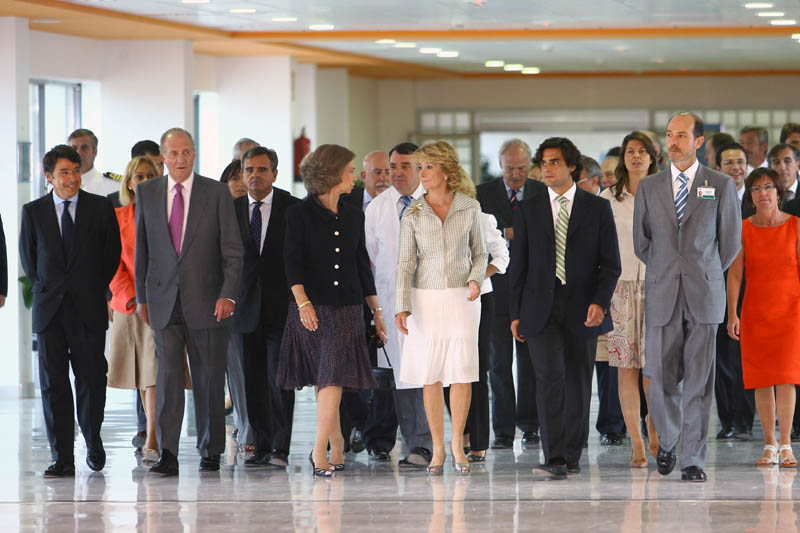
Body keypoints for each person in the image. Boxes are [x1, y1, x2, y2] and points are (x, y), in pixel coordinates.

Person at [634, 112, 742, 482]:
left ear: (698, 141)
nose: (673, 142)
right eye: (669, 135)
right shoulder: (649, 187)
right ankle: (668, 439)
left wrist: (701, 269)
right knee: (660, 376)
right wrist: (670, 268)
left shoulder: (721, 185)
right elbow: (642, 243)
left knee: (699, 380)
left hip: (704, 292)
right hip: (664, 291)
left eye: (681, 135)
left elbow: (729, 245)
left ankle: (692, 458)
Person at [510, 137, 621, 480]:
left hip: (583, 307)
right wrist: (515, 313)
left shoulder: (596, 208)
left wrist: (600, 303)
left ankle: (572, 453)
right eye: (543, 162)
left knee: (577, 381)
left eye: (554, 162)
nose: (547, 168)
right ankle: (554, 455)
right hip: (539, 308)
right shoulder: (528, 209)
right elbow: (519, 266)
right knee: (548, 380)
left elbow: (610, 264)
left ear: (572, 167)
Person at [135, 127, 244, 476]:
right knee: (167, 381)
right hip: (163, 301)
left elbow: (232, 250)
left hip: (210, 301)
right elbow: (143, 251)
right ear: (162, 157)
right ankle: (167, 451)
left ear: (194, 154)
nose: (180, 159)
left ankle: (211, 449)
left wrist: (228, 293)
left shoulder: (215, 192)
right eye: (173, 153)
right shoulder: (148, 192)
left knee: (209, 378)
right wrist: (141, 297)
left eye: (186, 152)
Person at [279, 144, 386, 476]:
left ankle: (326, 447)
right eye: (351, 170)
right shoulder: (298, 213)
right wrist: (303, 303)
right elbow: (291, 262)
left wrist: (376, 311)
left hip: (348, 309)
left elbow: (360, 266)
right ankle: (327, 446)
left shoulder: (355, 213)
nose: (355, 175)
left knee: (332, 377)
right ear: (333, 173)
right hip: (311, 307)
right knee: (326, 379)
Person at [19, 145, 122, 477]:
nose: (72, 178)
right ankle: (61, 456)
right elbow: (29, 261)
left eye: (76, 171)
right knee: (53, 385)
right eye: (64, 172)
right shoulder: (33, 212)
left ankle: (92, 441)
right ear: (49, 176)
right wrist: (52, 288)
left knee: (92, 379)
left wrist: (90, 287)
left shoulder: (99, 208)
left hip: (87, 308)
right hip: (50, 311)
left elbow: (111, 255)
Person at [395, 140, 488, 474]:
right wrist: (401, 305)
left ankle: (457, 445)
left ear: (447, 171)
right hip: (425, 300)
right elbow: (405, 263)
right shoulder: (413, 212)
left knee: (462, 372)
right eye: (420, 167)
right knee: (429, 374)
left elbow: (481, 253)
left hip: (463, 300)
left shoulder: (469, 208)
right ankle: (437, 448)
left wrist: (476, 278)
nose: (422, 174)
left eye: (428, 167)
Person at [364, 142, 433, 467]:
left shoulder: (435, 200)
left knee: (427, 375)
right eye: (393, 166)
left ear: (420, 167)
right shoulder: (378, 207)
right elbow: (370, 260)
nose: (397, 172)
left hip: (429, 302)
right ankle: (416, 445)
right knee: (399, 376)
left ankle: (430, 442)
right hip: (392, 306)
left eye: (405, 165)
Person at [727, 167, 800, 468]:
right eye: (756, 189)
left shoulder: (795, 225)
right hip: (756, 310)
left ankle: (786, 444)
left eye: (768, 187)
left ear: (778, 192)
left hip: (791, 311)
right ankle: (769, 442)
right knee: (761, 380)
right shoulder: (743, 228)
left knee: (786, 378)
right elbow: (734, 275)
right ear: (751, 196)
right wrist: (732, 312)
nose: (763, 193)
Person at [231, 146, 299, 468]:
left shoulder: (293, 208)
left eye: (261, 169)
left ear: (274, 173)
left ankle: (279, 448)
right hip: (243, 309)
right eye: (249, 170)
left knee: (279, 379)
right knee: (251, 380)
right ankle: (257, 444)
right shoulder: (229, 210)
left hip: (282, 308)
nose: (255, 176)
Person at [475, 138, 545, 449]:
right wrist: (507, 232)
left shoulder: (541, 192)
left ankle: (530, 424)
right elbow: (478, 238)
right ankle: (503, 430)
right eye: (509, 169)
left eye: (521, 168)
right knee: (498, 363)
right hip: (497, 290)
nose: (515, 174)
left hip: (531, 290)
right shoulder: (483, 193)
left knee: (530, 362)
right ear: (500, 165)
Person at [601, 131, 660, 466]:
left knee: (653, 368)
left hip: (657, 286)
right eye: (630, 151)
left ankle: (654, 432)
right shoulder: (608, 198)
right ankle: (635, 442)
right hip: (620, 288)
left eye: (642, 151)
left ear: (653, 157)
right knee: (626, 368)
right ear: (623, 157)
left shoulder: (665, 193)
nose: (636, 156)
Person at [107, 156, 160, 463]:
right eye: (137, 176)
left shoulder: (169, 216)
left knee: (153, 373)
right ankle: (151, 432)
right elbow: (112, 263)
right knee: (142, 375)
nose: (142, 181)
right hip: (129, 306)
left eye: (149, 175)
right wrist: (132, 298)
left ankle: (152, 435)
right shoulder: (117, 218)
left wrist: (155, 298)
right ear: (128, 182)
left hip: (161, 305)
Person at [219, 156, 254, 454]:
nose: (241, 182)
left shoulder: (257, 213)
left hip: (259, 301)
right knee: (237, 369)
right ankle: (245, 427)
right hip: (230, 303)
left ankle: (256, 427)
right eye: (234, 177)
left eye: (245, 176)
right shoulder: (216, 217)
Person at [68, 128, 120, 196]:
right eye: (74, 148)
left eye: (84, 148)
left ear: (94, 151)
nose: (78, 152)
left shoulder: (114, 186)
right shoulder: (59, 186)